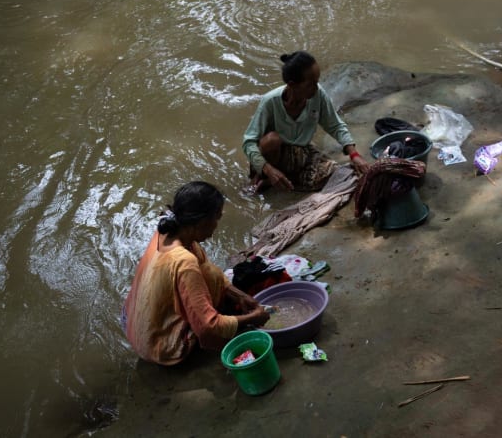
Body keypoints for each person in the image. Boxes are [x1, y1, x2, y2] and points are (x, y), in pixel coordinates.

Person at [123, 181, 269, 365]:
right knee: (208, 283)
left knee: (208, 271)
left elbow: (207, 269)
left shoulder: (167, 232)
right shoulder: (183, 261)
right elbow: (209, 326)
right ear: (202, 221)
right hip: (161, 348)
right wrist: (253, 318)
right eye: (217, 218)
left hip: (133, 327)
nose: (217, 226)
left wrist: (239, 295)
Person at [242, 50, 369, 192]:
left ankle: (281, 181)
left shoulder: (318, 94)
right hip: (274, 156)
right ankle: (266, 177)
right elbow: (248, 143)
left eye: (317, 82)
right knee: (272, 140)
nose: (316, 88)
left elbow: (335, 125)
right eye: (311, 84)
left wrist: (354, 154)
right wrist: (268, 169)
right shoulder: (270, 102)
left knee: (336, 174)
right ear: (292, 85)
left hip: (301, 153)